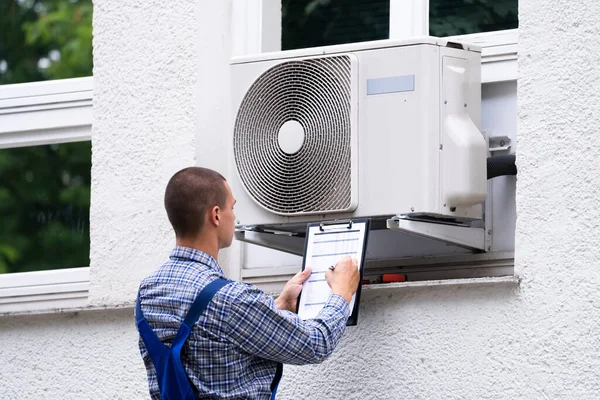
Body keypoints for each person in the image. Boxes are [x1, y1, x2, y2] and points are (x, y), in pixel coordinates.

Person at [136, 166, 360, 399]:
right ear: (215, 215)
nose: (234, 216)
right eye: (231, 207)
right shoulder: (232, 299)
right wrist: (342, 292)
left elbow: (212, 336)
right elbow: (316, 344)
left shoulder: (148, 292)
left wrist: (279, 305)